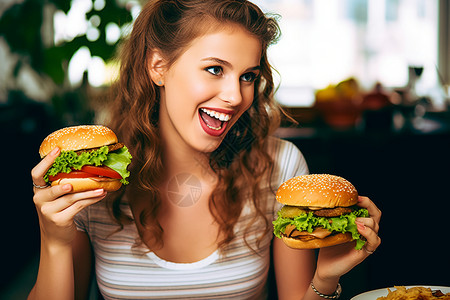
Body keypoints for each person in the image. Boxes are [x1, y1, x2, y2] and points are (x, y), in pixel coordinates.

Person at [29, 0, 381, 299]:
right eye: (215, 69)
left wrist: (326, 278)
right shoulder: (90, 181)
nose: (235, 96)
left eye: (248, 76)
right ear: (158, 67)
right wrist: (55, 242)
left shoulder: (280, 165)